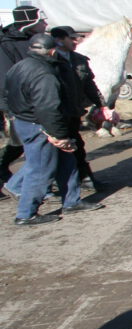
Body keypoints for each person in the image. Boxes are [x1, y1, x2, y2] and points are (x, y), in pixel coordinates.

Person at [4, 33, 103, 225]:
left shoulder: (18, 67)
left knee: (68, 162)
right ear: (51, 51)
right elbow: (47, 108)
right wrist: (58, 135)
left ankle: (72, 201)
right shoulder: (44, 74)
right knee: (40, 168)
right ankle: (26, 213)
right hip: (41, 125)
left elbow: (8, 95)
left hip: (28, 121)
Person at [50, 26, 105, 190]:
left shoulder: (79, 59)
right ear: (59, 40)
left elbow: (90, 85)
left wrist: (102, 106)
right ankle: (50, 185)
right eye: (72, 38)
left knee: (78, 146)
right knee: (54, 152)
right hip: (56, 113)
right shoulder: (50, 61)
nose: (76, 41)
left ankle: (86, 178)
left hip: (74, 111)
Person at [1, 5, 49, 188]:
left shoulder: (35, 41)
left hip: (39, 99)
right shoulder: (6, 45)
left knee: (35, 145)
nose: (45, 24)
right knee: (23, 145)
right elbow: (7, 78)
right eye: (41, 21)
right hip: (21, 104)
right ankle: (13, 182)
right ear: (31, 22)